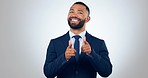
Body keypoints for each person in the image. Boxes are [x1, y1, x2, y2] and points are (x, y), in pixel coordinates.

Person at [44, 1, 112, 78]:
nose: (74, 15)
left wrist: (91, 53)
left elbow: (106, 72)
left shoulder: (99, 43)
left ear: (87, 19)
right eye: (71, 11)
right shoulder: (55, 43)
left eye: (80, 12)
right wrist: (64, 57)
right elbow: (48, 73)